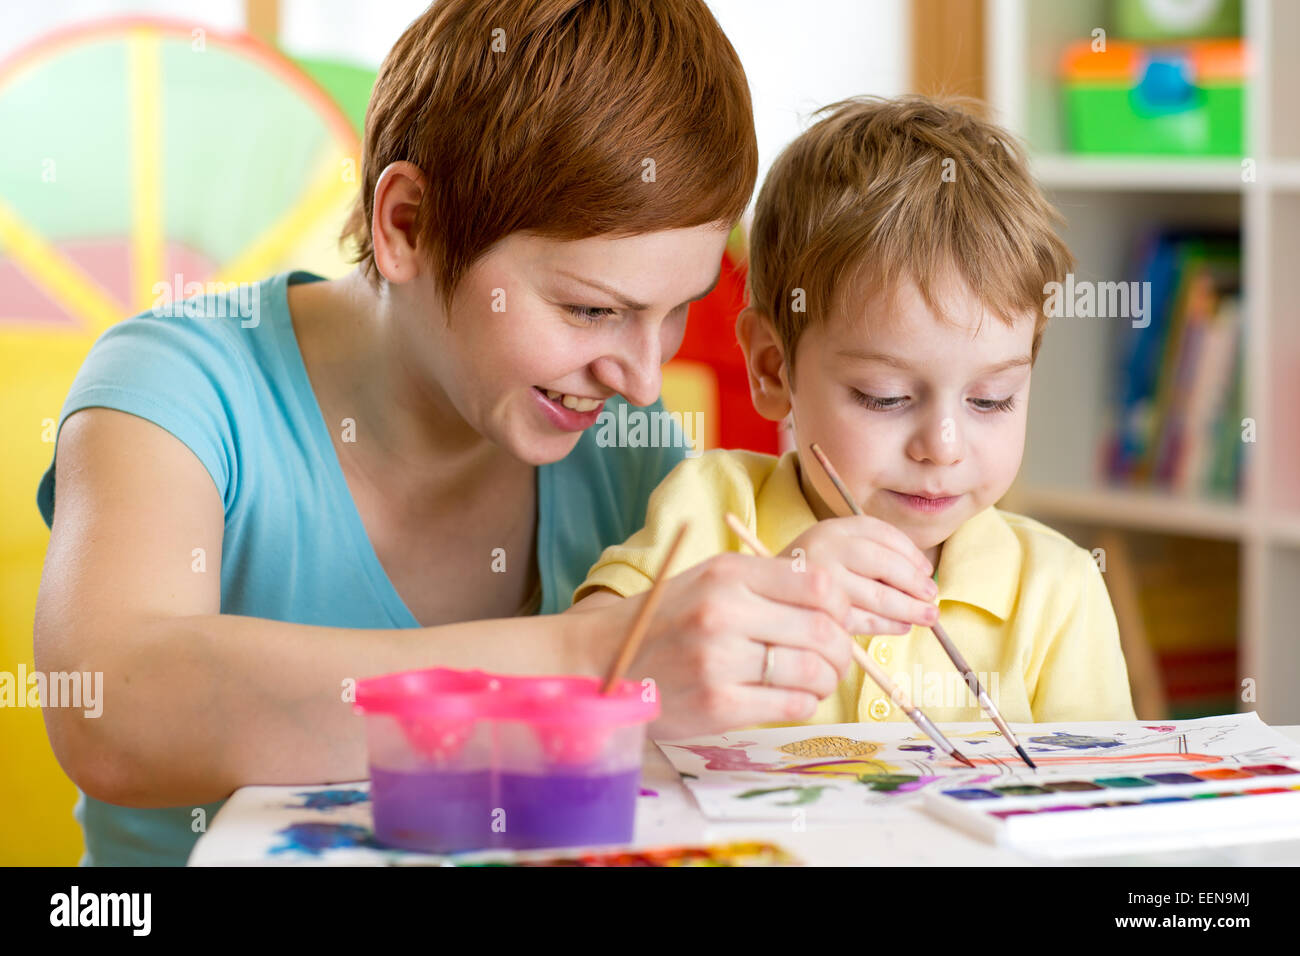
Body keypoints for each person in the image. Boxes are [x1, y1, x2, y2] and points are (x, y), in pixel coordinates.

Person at [34, 0, 902, 866]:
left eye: (675, 312)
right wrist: (590, 654)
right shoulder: (175, 385)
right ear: (406, 223)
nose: (641, 379)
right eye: (591, 308)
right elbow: (109, 707)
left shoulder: (624, 445)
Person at [573, 96, 1138, 727]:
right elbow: (569, 682)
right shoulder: (710, 510)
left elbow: (1102, 803)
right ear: (771, 367)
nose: (943, 446)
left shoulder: (1056, 590)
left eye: (991, 400)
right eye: (885, 396)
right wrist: (779, 590)